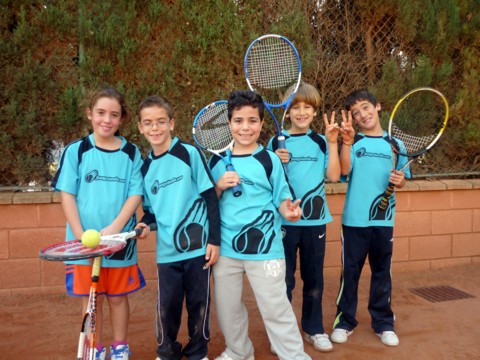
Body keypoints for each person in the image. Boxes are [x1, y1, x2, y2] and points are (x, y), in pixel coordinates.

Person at [209, 90, 312, 360]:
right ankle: (238, 351)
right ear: (229, 123)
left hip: (266, 249)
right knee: (227, 308)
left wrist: (289, 211)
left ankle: (293, 355)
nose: (245, 127)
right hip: (227, 250)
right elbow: (209, 203)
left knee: (275, 307)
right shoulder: (216, 161)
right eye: (239, 120)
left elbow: (282, 198)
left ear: (262, 124)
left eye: (252, 121)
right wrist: (218, 186)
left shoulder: (269, 159)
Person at [52, 86, 145, 360]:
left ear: (121, 119)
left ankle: (119, 347)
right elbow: (67, 195)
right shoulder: (76, 150)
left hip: (119, 243)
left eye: (114, 115)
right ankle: (94, 348)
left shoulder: (131, 152)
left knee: (117, 297)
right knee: (92, 300)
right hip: (84, 245)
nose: (107, 120)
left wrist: (117, 227)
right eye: (101, 113)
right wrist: (80, 234)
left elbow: (135, 194)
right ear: (89, 113)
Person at [134, 95, 220, 360]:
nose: (155, 128)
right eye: (148, 123)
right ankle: (167, 351)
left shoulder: (188, 153)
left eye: (161, 121)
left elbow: (209, 198)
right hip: (168, 252)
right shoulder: (145, 167)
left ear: (171, 123)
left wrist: (214, 241)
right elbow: (151, 212)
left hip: (198, 250)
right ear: (140, 127)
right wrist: (144, 224)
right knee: (167, 305)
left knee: (199, 304)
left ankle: (198, 351)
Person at [330, 89, 410, 347]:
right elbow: (344, 170)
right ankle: (344, 322)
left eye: (365, 108)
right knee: (350, 273)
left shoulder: (397, 145)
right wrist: (347, 143)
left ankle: (383, 323)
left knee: (382, 272)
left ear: (377, 106)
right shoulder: (354, 141)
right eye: (356, 112)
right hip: (354, 221)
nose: (362, 115)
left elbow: (404, 181)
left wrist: (401, 182)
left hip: (384, 221)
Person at [267, 82, 340, 353]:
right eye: (295, 107)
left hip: (315, 222)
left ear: (314, 111)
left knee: (314, 277)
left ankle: (314, 328)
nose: (301, 112)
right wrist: (275, 159)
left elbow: (333, 176)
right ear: (286, 111)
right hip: (284, 223)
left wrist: (332, 144)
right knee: (283, 280)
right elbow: (267, 182)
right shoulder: (275, 142)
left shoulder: (320, 141)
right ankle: (283, 336)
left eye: (306, 107)